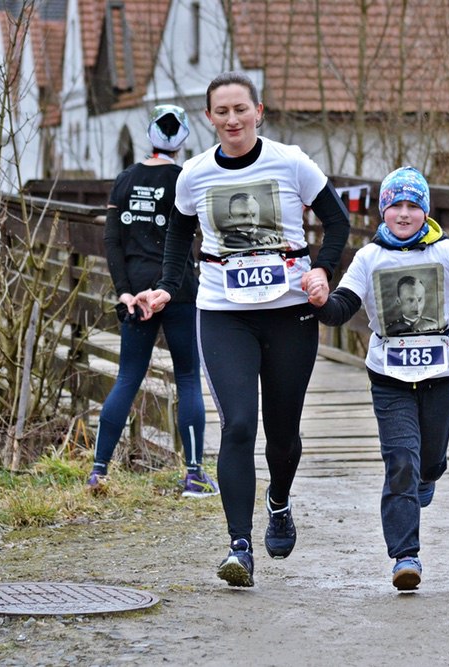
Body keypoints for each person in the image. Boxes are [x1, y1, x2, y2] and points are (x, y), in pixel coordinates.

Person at [134, 71, 350, 588]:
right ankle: (239, 546)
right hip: (223, 312)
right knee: (237, 426)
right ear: (209, 118)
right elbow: (178, 236)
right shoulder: (194, 174)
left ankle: (279, 501)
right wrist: (166, 286)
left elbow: (338, 222)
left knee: (282, 431)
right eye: (222, 111)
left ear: (259, 111)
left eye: (240, 109)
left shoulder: (291, 162)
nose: (232, 119)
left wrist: (323, 270)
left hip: (290, 311)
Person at [310, 166, 449, 590]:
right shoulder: (369, 258)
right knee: (401, 462)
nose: (404, 213)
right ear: (383, 211)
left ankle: (427, 477)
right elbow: (342, 306)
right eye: (395, 204)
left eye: (413, 205)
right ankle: (405, 556)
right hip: (389, 376)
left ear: (426, 212)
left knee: (428, 462)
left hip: (440, 374)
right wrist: (320, 301)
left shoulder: (445, 251)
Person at [88, 104, 216, 499]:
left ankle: (98, 472)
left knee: (127, 377)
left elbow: (112, 240)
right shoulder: (184, 179)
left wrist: (124, 291)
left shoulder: (125, 179)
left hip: (136, 292)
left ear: (149, 133)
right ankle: (194, 475)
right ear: (183, 137)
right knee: (188, 378)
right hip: (179, 290)